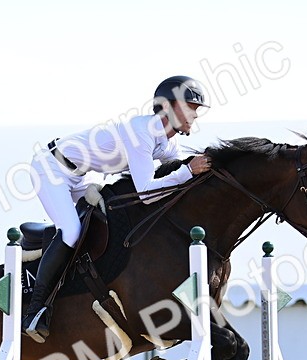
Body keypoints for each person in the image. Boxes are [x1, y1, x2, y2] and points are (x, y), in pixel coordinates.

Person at [21, 75, 214, 342]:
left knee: (100, 224)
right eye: (191, 107)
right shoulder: (142, 131)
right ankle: (35, 309)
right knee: (72, 231)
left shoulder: (169, 143)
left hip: (82, 176)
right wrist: (187, 172)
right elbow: (147, 192)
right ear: (170, 107)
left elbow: (177, 171)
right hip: (51, 169)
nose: (195, 114)